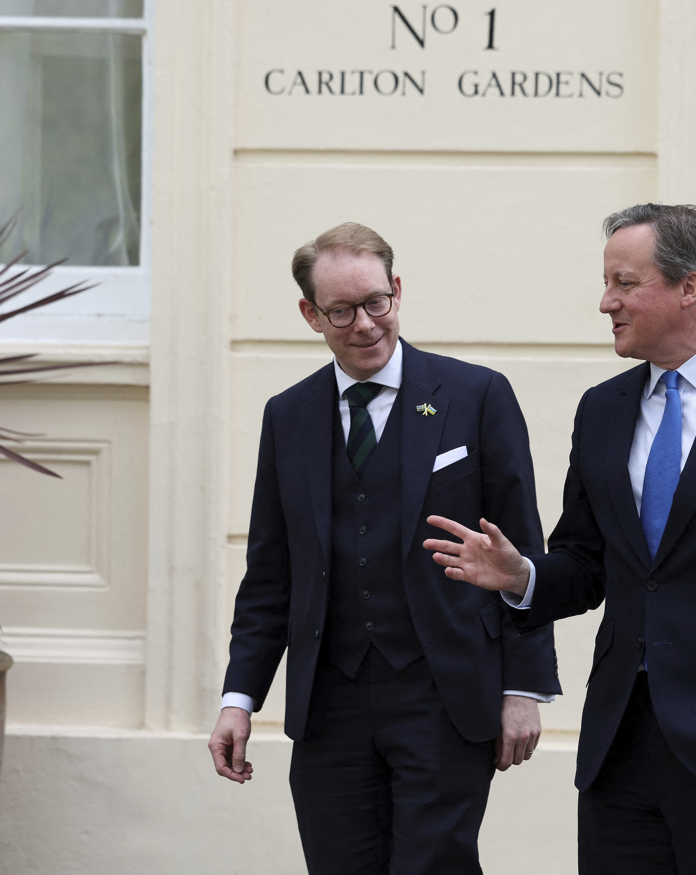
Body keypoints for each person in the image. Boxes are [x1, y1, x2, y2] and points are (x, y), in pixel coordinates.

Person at [424, 204, 696, 875]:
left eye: (624, 283)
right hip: (620, 744)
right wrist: (522, 578)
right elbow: (587, 562)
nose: (606, 302)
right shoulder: (601, 409)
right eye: (608, 283)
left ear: (689, 286)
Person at [208, 221, 562, 875]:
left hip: (443, 695)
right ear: (310, 314)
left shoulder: (476, 396)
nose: (365, 324)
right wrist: (240, 699)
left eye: (376, 302)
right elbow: (271, 575)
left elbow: (522, 551)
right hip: (330, 704)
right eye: (340, 310)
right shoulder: (288, 416)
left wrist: (525, 688)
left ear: (397, 290)